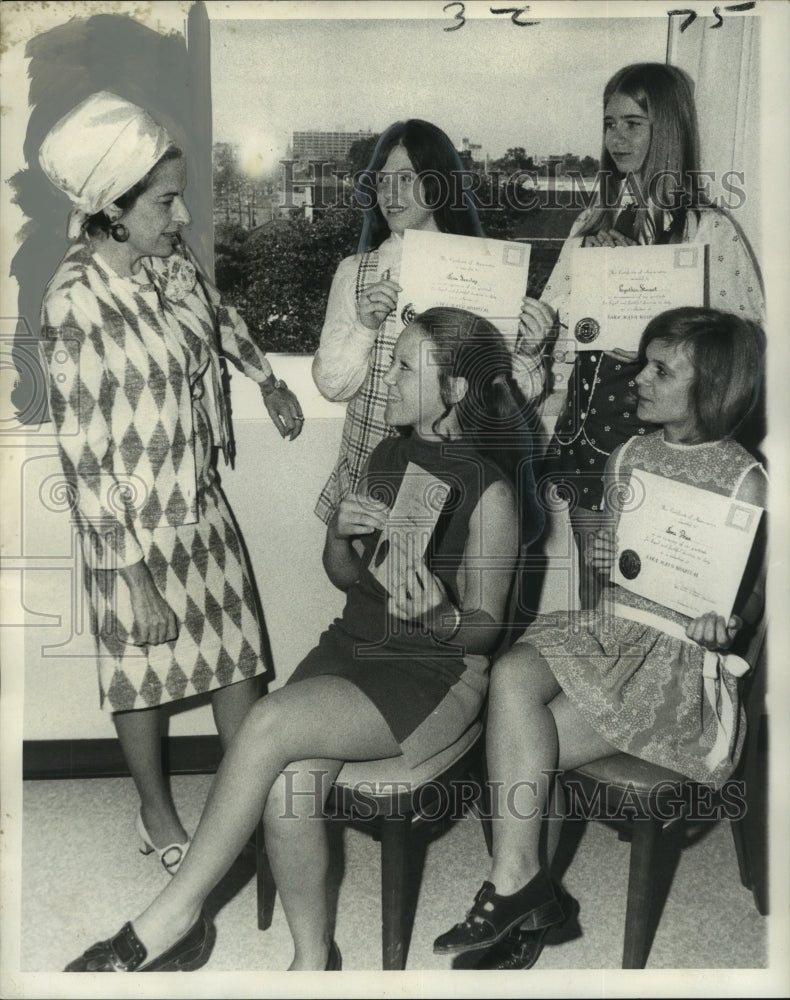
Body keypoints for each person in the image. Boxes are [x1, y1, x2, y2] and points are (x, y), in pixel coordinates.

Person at [63, 306, 527, 972]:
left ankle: (174, 917)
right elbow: (346, 577)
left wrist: (440, 614)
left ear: (453, 390)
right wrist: (338, 532)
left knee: (269, 722)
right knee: (289, 789)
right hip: (353, 647)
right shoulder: (389, 452)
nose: (386, 376)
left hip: (435, 671)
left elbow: (485, 631)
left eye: (402, 366)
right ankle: (314, 962)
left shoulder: (490, 491)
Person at [434, 307, 767, 970]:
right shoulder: (630, 455)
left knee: (531, 738)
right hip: (612, 630)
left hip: (677, 659)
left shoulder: (746, 480)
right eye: (644, 361)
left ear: (712, 388)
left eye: (659, 369)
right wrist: (608, 555)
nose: (636, 377)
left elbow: (755, 597)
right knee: (513, 676)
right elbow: (616, 574)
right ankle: (522, 886)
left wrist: (727, 621)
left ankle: (515, 898)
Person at [38, 92, 304, 874]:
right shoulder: (72, 304)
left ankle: (249, 804)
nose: (181, 214)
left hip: (200, 501)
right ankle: (157, 816)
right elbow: (83, 456)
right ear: (111, 209)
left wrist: (266, 379)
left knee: (238, 658)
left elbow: (215, 316)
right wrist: (133, 577)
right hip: (130, 521)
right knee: (141, 676)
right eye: (163, 200)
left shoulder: (169, 261)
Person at [538, 62, 765, 608]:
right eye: (609, 122)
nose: (617, 137)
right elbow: (559, 322)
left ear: (669, 129)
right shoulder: (591, 220)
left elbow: (746, 347)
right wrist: (540, 327)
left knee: (663, 598)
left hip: (669, 444)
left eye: (634, 123)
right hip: (591, 434)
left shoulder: (708, 230)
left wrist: (650, 314)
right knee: (600, 594)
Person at [312, 118, 554, 531]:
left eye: (406, 178)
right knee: (370, 585)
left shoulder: (483, 272)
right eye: (383, 181)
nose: (391, 194)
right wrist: (364, 327)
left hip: (458, 478)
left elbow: (512, 398)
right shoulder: (356, 272)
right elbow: (333, 385)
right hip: (375, 470)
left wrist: (530, 352)